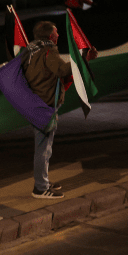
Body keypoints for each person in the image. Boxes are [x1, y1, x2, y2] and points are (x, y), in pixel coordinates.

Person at [22, 21, 96, 199]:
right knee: (44, 149)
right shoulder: (48, 50)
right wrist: (84, 59)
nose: (58, 35)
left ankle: (43, 181)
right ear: (49, 36)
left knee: (43, 147)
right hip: (46, 104)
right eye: (56, 33)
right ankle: (40, 188)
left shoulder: (30, 50)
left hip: (34, 102)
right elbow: (62, 70)